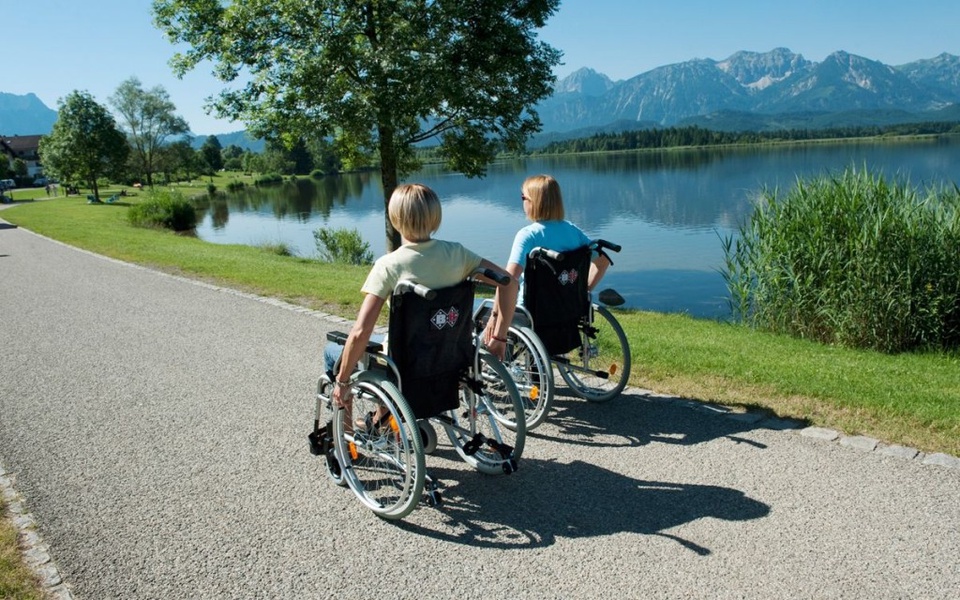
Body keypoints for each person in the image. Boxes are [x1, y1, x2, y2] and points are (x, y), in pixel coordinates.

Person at [329, 183, 517, 426]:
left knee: (333, 354)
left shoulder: (389, 265)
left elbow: (361, 332)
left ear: (395, 218)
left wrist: (342, 381)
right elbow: (509, 282)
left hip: (404, 365)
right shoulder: (458, 254)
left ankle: (347, 434)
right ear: (435, 216)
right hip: (451, 358)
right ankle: (382, 421)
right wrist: (500, 336)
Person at [484, 174, 610, 338]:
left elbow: (507, 279)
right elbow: (603, 262)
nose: (522, 201)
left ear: (533, 202)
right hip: (568, 310)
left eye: (523, 197)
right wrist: (582, 290)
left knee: (478, 316)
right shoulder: (573, 231)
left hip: (531, 314)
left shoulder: (528, 235)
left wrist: (494, 317)